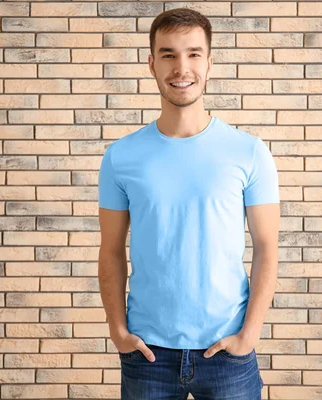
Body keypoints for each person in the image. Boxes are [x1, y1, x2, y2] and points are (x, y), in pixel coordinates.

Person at [98, 7, 280, 400]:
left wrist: (249, 335)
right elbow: (110, 250)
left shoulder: (248, 152)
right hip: (148, 355)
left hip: (228, 353)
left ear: (210, 63)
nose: (182, 67)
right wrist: (118, 330)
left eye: (194, 54)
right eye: (169, 55)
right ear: (151, 64)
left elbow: (267, 247)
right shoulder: (120, 156)